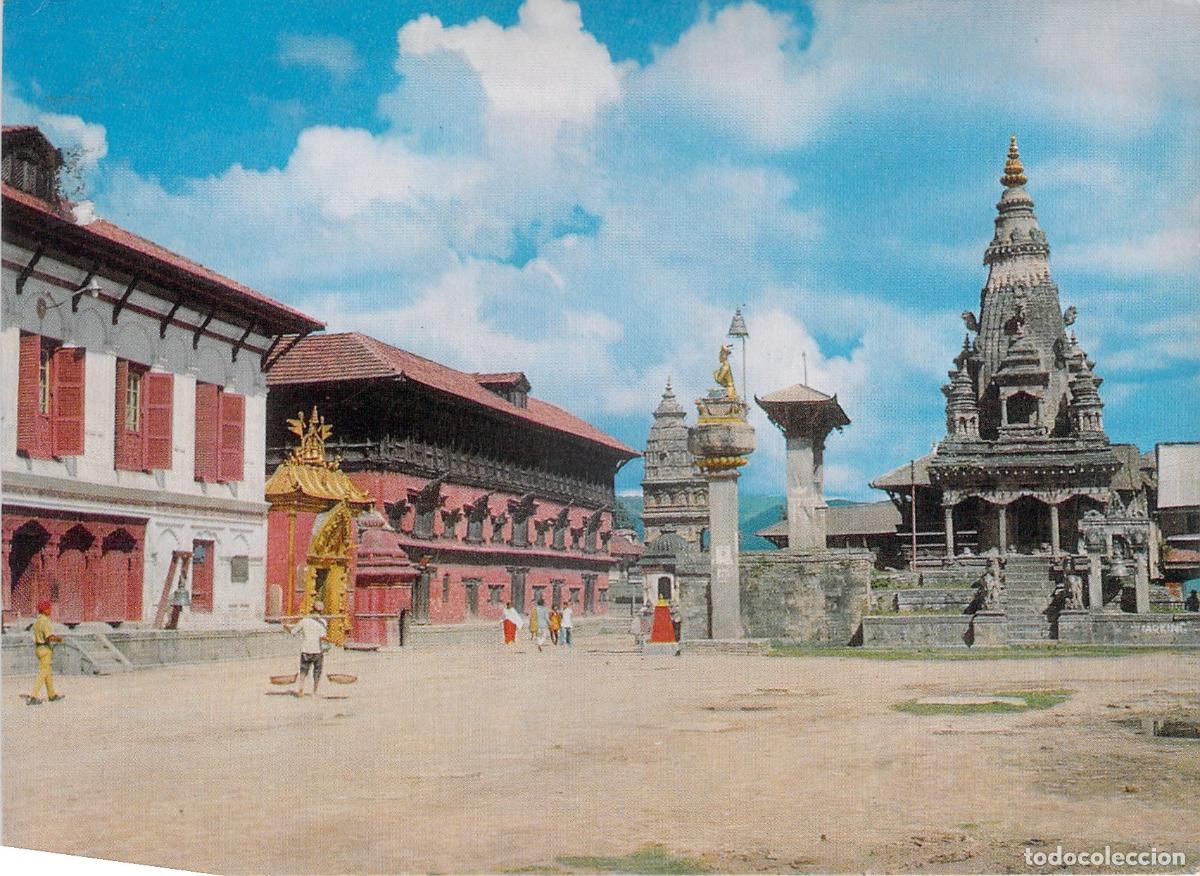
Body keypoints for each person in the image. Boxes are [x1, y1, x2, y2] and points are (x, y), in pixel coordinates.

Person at [284, 601, 328, 698]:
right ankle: (314, 692)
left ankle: (301, 689)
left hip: (306, 649)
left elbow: (293, 632)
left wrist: (286, 626)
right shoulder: (323, 622)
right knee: (317, 671)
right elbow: (323, 637)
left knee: (303, 670)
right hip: (317, 650)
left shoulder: (304, 621)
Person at [27, 600, 64, 705]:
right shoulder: (45, 621)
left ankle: (51, 694)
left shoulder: (37, 621)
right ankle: (33, 696)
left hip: (38, 648)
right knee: (43, 672)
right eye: (49, 608)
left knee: (47, 672)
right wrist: (59, 639)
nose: (50, 610)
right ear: (45, 610)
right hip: (45, 649)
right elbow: (49, 637)